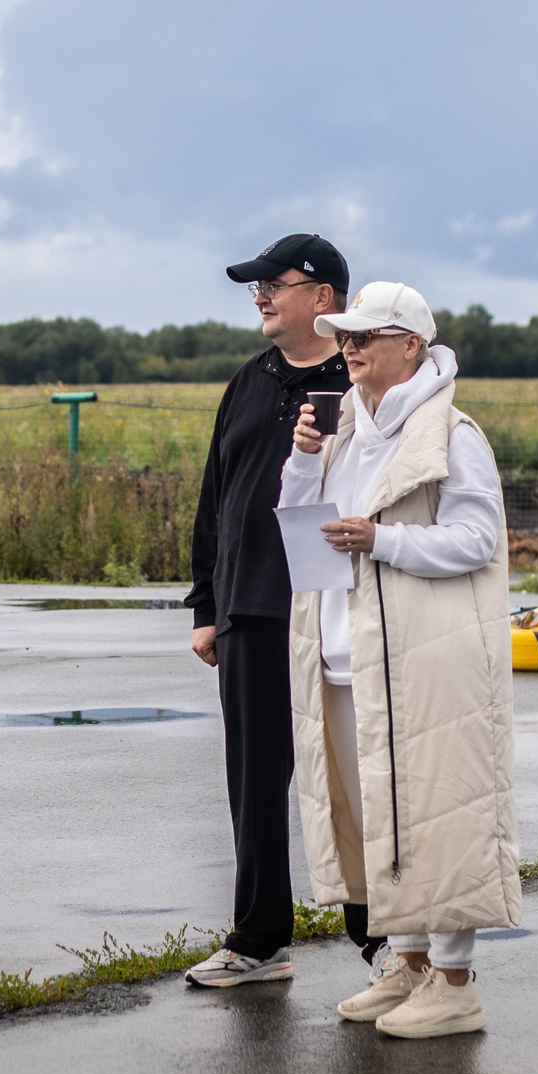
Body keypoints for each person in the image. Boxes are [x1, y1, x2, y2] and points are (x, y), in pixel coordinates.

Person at [276, 281, 521, 1038]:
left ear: (411, 345)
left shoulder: (452, 433)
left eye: (365, 337)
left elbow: (477, 540)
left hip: (426, 662)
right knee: (384, 822)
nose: (348, 348)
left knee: (440, 818)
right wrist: (300, 461)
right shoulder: (350, 429)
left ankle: (455, 983)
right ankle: (409, 966)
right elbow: (308, 528)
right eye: (344, 337)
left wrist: (383, 542)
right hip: (350, 661)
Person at [181, 234, 359, 988]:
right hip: (251, 607)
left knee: (350, 776)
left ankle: (379, 941)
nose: (259, 295)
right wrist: (206, 604)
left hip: (336, 611)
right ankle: (257, 940)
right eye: (254, 286)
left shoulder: (362, 381)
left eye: (273, 284)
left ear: (322, 297)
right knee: (253, 779)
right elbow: (215, 497)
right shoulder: (248, 380)